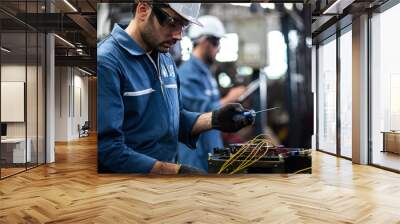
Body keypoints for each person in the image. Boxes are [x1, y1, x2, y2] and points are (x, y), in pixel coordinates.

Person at [97, 2, 254, 174]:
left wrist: (214, 119)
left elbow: (174, 118)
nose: (179, 35)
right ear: (143, 10)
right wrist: (175, 172)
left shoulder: (165, 59)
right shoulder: (107, 63)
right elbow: (107, 149)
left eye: (183, 26)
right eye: (173, 22)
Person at [177, 15, 246, 172]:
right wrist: (230, 98)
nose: (219, 48)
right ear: (205, 42)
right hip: (195, 155)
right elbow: (201, 114)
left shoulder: (206, 74)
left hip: (211, 147)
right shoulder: (186, 75)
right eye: (217, 43)